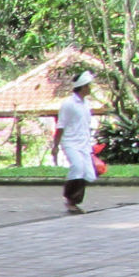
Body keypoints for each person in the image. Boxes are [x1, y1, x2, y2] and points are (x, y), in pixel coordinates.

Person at [51, 71, 97, 214]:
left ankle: (75, 199)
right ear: (83, 87)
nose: (90, 88)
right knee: (77, 167)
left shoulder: (86, 104)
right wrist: (56, 146)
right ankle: (71, 200)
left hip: (83, 143)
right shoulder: (68, 104)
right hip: (70, 142)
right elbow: (61, 126)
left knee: (87, 173)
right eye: (88, 85)